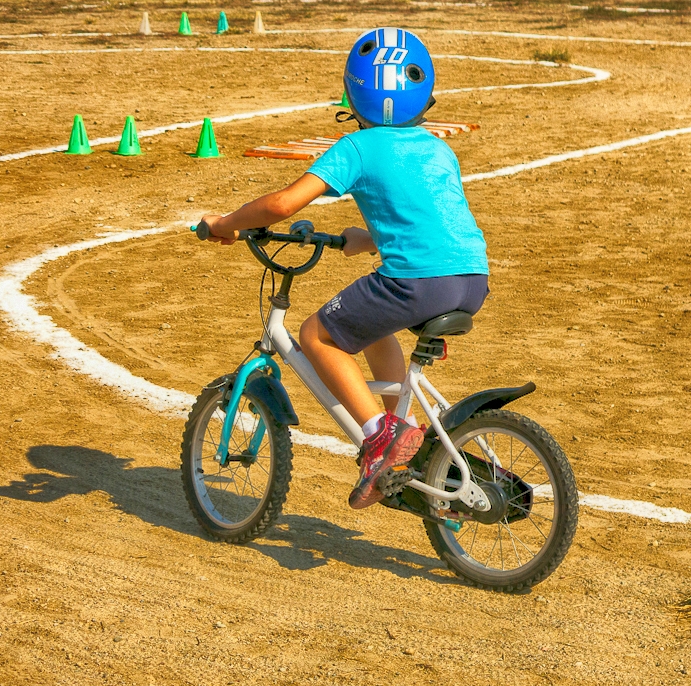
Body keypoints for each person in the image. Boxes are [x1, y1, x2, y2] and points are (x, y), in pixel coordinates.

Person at [199, 28, 489, 509]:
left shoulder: (356, 147)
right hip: (471, 279)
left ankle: (380, 435)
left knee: (316, 334)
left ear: (352, 94)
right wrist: (369, 238)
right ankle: (403, 434)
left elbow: (283, 204)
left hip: (416, 283)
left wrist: (226, 224)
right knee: (370, 327)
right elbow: (429, 216)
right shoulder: (438, 147)